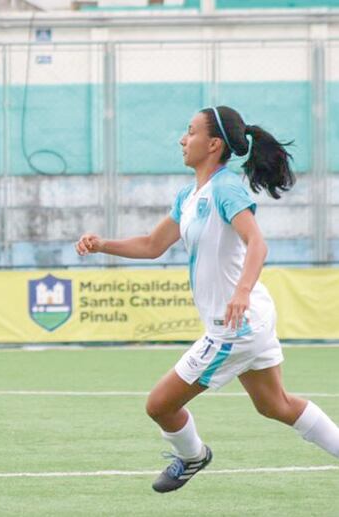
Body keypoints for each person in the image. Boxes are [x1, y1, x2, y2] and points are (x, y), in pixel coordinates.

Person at [75, 106, 339, 492]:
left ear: (213, 144)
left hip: (237, 325)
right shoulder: (189, 195)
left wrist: (242, 292)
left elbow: (257, 244)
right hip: (249, 321)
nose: (183, 139)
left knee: (159, 405)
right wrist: (102, 245)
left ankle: (193, 456)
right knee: (274, 404)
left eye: (191, 132)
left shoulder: (226, 188)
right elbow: (152, 245)